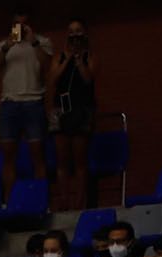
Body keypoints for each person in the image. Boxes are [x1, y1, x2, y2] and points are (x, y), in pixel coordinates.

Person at [0, 12, 51, 195]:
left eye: (25, 24)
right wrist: (7, 47)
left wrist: (33, 41)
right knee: (8, 156)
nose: (21, 27)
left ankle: (41, 200)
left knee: (38, 155)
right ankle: (9, 203)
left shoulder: (42, 42)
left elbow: (47, 65)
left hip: (33, 102)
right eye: (17, 24)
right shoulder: (4, 45)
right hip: (9, 103)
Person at [46, 18, 98, 210]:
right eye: (71, 32)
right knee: (62, 160)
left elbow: (88, 78)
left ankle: (79, 202)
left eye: (78, 32)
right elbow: (52, 79)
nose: (75, 36)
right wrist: (67, 57)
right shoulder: (59, 56)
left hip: (82, 109)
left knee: (79, 160)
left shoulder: (88, 56)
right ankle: (64, 201)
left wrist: (78, 58)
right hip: (61, 109)